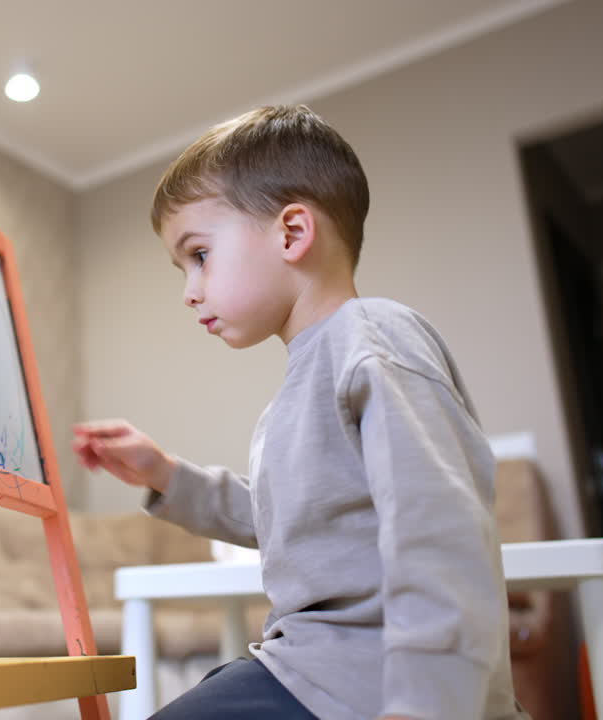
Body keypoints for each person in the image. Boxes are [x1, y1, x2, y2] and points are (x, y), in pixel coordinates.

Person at [73, 106, 527, 720]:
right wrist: (164, 474)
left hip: (371, 684)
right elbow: (276, 516)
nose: (189, 290)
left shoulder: (371, 338)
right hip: (311, 671)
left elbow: (441, 529)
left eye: (199, 255)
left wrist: (429, 704)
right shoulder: (297, 388)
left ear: (292, 233)